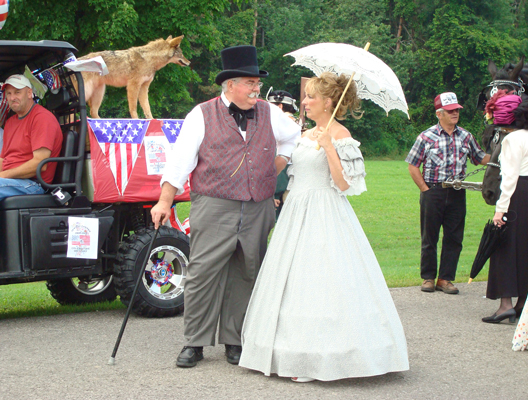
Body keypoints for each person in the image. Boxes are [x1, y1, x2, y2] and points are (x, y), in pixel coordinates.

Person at [239, 72, 409, 383]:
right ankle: (286, 353)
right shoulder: (304, 135)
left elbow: (345, 184)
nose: (304, 101)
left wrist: (330, 146)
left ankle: (320, 358)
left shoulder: (341, 136)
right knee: (291, 281)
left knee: (321, 282)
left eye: (310, 97)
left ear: (328, 102)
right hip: (296, 212)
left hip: (325, 211)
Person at [150, 45, 300, 368]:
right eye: (250, 82)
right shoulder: (201, 115)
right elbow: (179, 161)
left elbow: (294, 136)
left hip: (258, 206)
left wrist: (280, 162)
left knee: (247, 272)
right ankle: (195, 341)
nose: (256, 89)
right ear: (230, 84)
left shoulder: (270, 113)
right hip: (214, 205)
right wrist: (164, 199)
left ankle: (235, 339)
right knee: (203, 272)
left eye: (257, 82)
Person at [406, 92, 490, 294]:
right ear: (439, 114)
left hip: (457, 192)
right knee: (429, 237)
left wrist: (504, 153)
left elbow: (479, 158)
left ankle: (445, 279)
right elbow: (412, 165)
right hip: (433, 191)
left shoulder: (466, 136)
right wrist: (424, 190)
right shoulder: (426, 137)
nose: (455, 114)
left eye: (457, 110)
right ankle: (428, 278)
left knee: (454, 238)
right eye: (450, 111)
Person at [482, 98, 528, 326]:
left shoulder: (514, 139)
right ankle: (523, 302)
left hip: (519, 194)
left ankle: (505, 305)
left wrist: (500, 210)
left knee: (504, 245)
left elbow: (510, 177)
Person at [0, 74, 63, 200]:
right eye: (9, 93)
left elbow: (40, 164)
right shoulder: (10, 122)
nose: (12, 98)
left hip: (33, 184)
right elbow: (3, 160)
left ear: (29, 93)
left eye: (17, 92)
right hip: (11, 180)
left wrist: (3, 175)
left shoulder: (42, 118)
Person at [266, 89, 299, 217]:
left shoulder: (283, 122)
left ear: (279, 106)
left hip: (282, 176)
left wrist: (272, 193)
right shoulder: (296, 123)